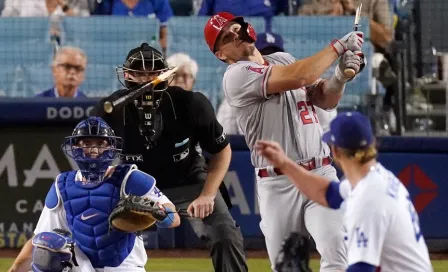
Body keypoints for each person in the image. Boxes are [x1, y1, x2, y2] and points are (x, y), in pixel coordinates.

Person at [203, 12, 365, 271]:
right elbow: (301, 77)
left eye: (236, 28)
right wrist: (338, 47)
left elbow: (324, 98)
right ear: (221, 55)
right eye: (226, 37)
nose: (236, 35)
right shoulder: (235, 76)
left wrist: (339, 78)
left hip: (320, 172)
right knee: (287, 266)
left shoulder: (282, 59)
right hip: (278, 184)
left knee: (338, 256)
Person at [91, 43, 248, 272]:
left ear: (164, 75)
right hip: (136, 186)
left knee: (225, 232)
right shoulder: (110, 110)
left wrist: (208, 194)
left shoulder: (191, 103)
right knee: (94, 228)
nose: (146, 80)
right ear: (127, 75)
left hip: (189, 181)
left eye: (152, 73)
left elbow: (222, 151)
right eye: (139, 73)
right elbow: (91, 151)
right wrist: (101, 169)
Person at [255, 111, 433, 272]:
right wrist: (285, 164)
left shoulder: (367, 201)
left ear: (335, 151)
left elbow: (361, 269)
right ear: (372, 144)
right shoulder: (376, 179)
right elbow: (328, 193)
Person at [7, 116, 181, 272]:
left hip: (125, 267)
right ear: (75, 147)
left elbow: (174, 218)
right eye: (86, 143)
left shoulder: (130, 178)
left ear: (111, 147)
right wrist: (14, 270)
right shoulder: (62, 185)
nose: (93, 150)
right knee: (46, 252)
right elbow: (39, 238)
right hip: (84, 267)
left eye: (101, 143)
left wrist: (160, 214)